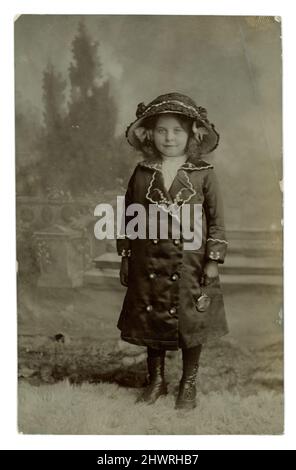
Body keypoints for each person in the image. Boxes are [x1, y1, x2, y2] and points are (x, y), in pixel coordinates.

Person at [116, 92, 229, 410]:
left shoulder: (204, 173)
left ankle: (188, 383)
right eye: (162, 130)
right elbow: (128, 217)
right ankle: (156, 381)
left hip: (191, 262)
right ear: (150, 133)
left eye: (177, 130)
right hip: (147, 260)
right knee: (151, 321)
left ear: (192, 134)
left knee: (193, 323)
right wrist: (126, 256)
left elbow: (217, 220)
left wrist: (213, 260)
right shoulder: (142, 173)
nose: (169, 137)